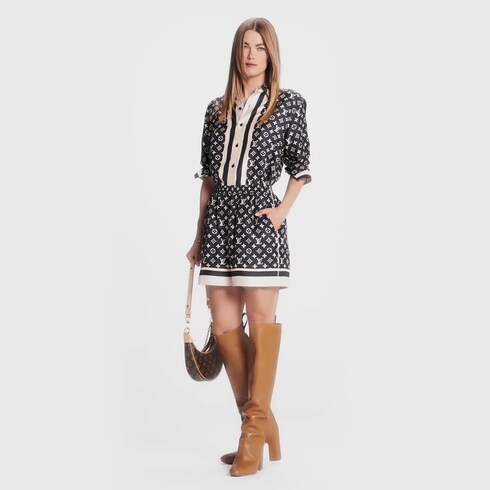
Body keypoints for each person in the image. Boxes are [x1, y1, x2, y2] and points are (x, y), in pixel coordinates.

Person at [185, 17, 312, 477]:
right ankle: (259, 426)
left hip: (260, 223)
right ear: (236, 52)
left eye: (259, 47)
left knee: (260, 323)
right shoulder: (215, 109)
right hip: (220, 223)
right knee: (224, 325)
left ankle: (252, 434)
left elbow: (301, 167)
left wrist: (281, 212)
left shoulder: (289, 104)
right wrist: (199, 235)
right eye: (245, 46)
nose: (251, 54)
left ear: (270, 54)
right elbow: (208, 180)